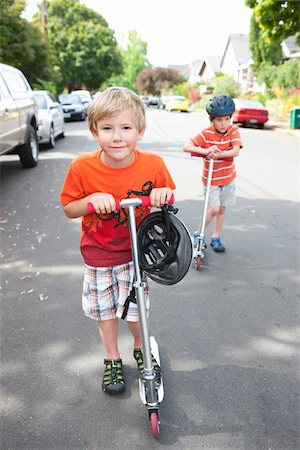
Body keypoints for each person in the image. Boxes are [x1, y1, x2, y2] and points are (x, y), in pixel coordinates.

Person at [60, 87, 175, 395]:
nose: (117, 137)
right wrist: (92, 200)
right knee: (105, 311)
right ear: (94, 131)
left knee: (136, 312)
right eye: (107, 128)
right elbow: (70, 207)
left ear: (140, 130)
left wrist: (162, 196)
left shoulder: (153, 165)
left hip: (136, 254)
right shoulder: (82, 168)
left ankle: (140, 346)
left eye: (126, 128)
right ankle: (112, 356)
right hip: (98, 254)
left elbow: (166, 197)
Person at [183, 94, 243, 252]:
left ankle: (216, 236)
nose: (223, 124)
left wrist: (219, 154)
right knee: (214, 209)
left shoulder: (233, 131)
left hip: (228, 179)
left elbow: (236, 151)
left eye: (226, 119)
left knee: (222, 209)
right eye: (219, 120)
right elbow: (187, 146)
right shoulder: (206, 134)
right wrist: (206, 150)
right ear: (211, 119)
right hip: (211, 180)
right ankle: (198, 233)